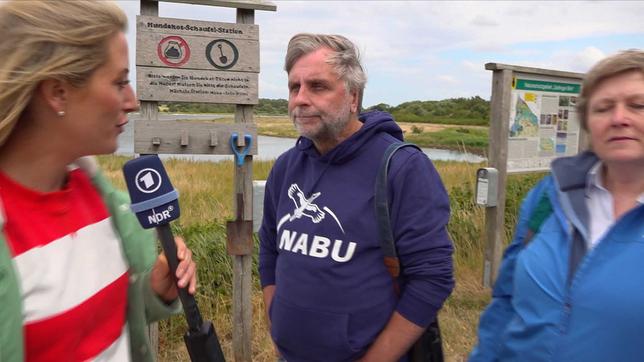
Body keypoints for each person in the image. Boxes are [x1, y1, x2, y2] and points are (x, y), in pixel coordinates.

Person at [0, 1, 197, 361]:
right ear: (58, 92)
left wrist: (153, 291)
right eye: (120, 82)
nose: (133, 101)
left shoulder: (102, 200)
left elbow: (96, 328)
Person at [258, 33, 454, 361]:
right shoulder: (286, 167)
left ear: (353, 96)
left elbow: (433, 277)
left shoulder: (402, 168)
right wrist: (277, 322)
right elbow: (269, 249)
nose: (300, 99)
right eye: (295, 87)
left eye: (317, 86)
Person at [470, 50, 644, 361]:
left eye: (638, 105)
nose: (619, 118)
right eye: (603, 108)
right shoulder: (550, 195)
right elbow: (507, 301)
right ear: (588, 122)